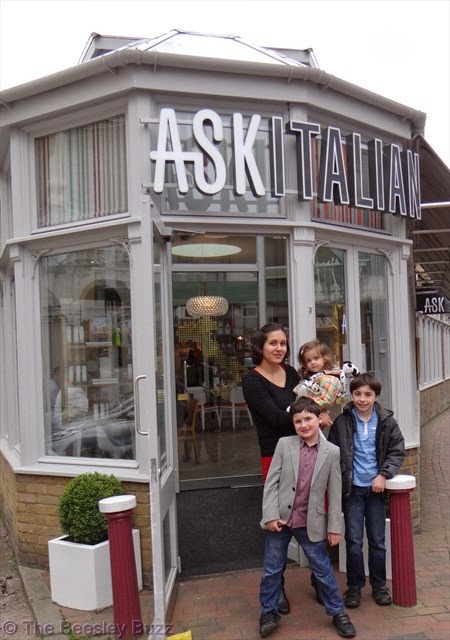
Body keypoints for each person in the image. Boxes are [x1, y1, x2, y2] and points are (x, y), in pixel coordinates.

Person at [258, 397, 356, 638]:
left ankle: (338, 612)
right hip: (280, 520)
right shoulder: (284, 445)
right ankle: (268, 612)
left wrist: (334, 528)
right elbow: (271, 484)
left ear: (319, 419)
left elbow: (334, 493)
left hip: (310, 522)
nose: (303, 425)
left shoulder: (332, 452)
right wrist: (270, 515)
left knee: (322, 569)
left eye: (308, 419)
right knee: (272, 569)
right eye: (298, 421)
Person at [328, 372, 405, 609]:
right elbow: (332, 453)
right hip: (352, 491)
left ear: (376, 397)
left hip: (375, 491)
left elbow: (397, 451)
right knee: (353, 541)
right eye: (357, 394)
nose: (362, 399)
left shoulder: (387, 421)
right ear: (351, 395)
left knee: (377, 541)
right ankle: (354, 586)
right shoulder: (342, 422)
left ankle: (379, 585)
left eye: (368, 394)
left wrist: (383, 475)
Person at [242, 323, 299, 615]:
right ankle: (277, 588)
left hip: (303, 451)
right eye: (273, 343)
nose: (279, 348)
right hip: (275, 455)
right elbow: (275, 419)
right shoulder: (252, 381)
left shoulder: (292, 373)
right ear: (260, 347)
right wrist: (310, 416)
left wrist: (310, 412)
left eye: (283, 343)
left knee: (308, 514)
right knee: (277, 523)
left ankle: (319, 578)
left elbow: (307, 403)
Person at [294, 340, 360, 413]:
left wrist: (302, 408)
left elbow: (325, 401)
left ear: (325, 358)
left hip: (314, 412)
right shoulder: (312, 377)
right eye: (308, 360)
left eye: (316, 358)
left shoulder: (330, 378)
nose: (312, 362)